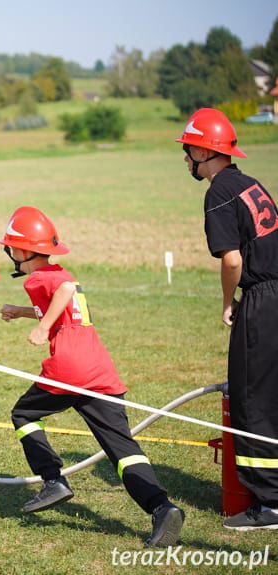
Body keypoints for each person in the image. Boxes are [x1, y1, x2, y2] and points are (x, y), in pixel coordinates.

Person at [0, 206, 184, 547]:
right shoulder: (55, 273)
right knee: (123, 449)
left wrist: (40, 328)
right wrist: (23, 312)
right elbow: (64, 300)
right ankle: (162, 507)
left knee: (23, 414)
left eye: (10, 247)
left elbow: (66, 290)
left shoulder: (40, 278)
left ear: (23, 251)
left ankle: (53, 480)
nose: (9, 253)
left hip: (69, 368)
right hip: (99, 369)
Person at [177, 108, 278, 530]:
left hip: (262, 299)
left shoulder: (218, 191)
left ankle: (269, 503)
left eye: (187, 151)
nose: (185, 160)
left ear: (204, 150)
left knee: (251, 398)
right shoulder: (250, 184)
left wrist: (226, 303)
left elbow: (232, 261)